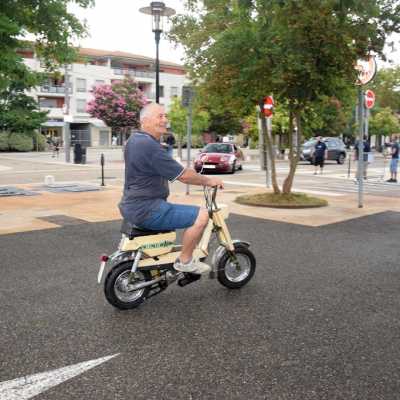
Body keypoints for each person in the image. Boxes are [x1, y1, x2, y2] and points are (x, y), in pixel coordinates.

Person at [119, 103, 224, 275]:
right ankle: (185, 261)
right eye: (159, 116)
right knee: (202, 215)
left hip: (131, 205)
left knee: (179, 213)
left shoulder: (134, 141)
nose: (165, 120)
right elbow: (183, 176)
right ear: (144, 121)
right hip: (147, 208)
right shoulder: (149, 146)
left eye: (165, 116)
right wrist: (208, 180)